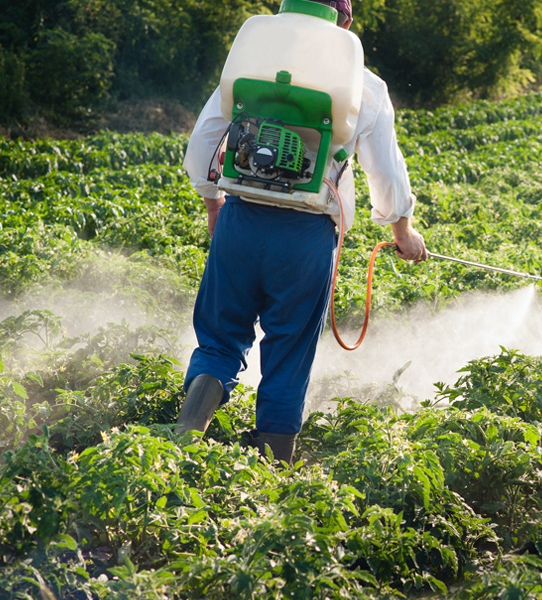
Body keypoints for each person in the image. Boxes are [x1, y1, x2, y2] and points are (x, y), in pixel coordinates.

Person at [176, 0, 427, 465]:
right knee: (289, 353)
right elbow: (386, 174)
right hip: (307, 236)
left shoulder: (252, 64)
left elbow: (203, 144)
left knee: (218, 340)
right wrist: (403, 230)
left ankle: (185, 438)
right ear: (345, 24)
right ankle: (272, 475)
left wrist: (215, 205)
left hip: (241, 219)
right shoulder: (364, 86)